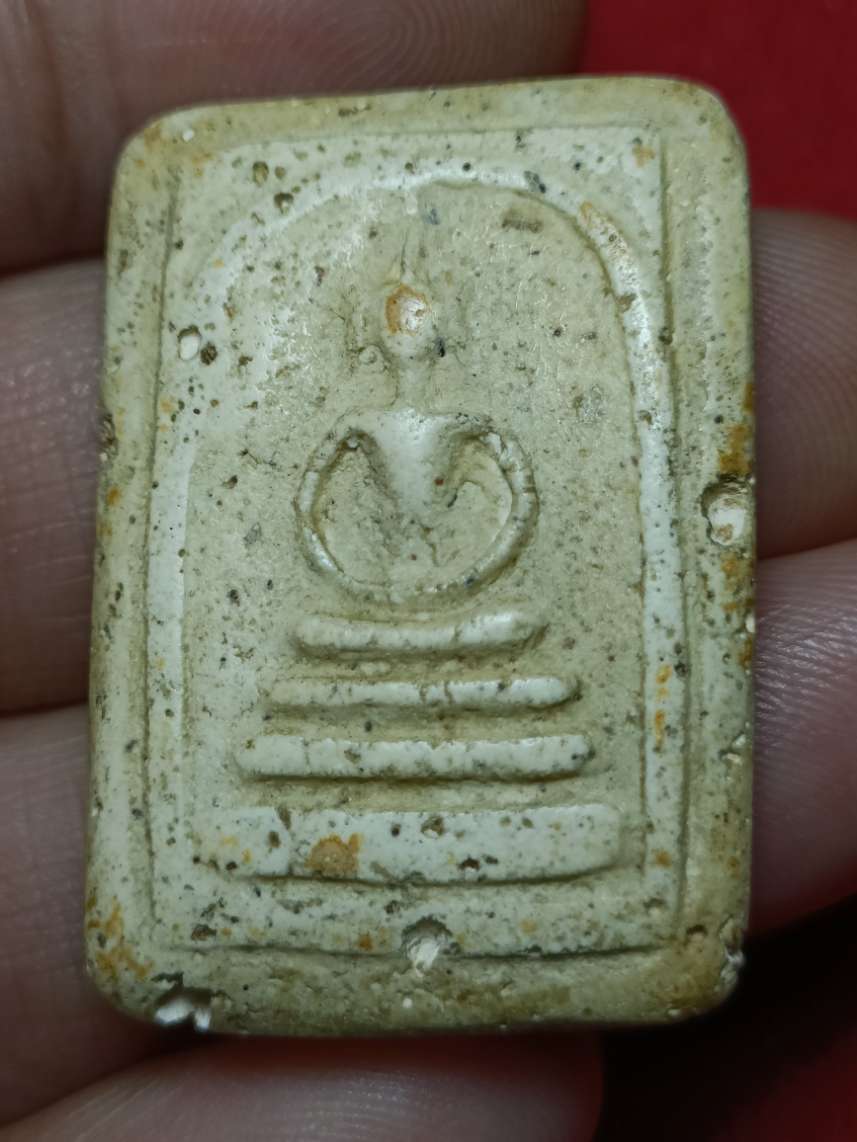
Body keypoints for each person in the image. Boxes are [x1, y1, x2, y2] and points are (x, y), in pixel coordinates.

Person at [1, 2, 855, 1138]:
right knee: (319, 678)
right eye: (395, 322)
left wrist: (462, 577)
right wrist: (351, 579)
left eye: (422, 323)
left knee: (522, 673)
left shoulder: (464, 414)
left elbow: (512, 495)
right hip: (362, 613)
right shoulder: (351, 404)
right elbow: (315, 508)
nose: (410, 335)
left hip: (466, 605)